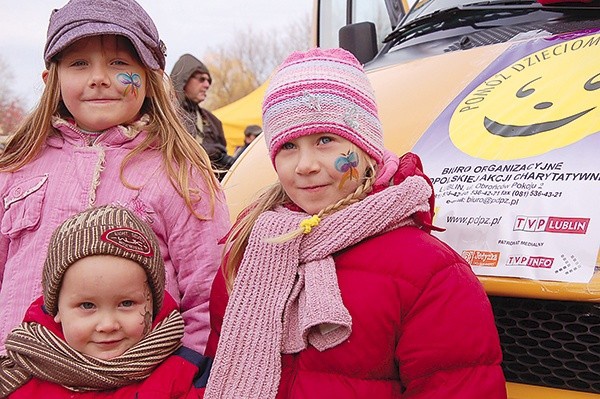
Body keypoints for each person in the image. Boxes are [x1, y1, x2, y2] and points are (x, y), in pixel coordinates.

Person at [203, 48, 507, 398]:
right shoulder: (252, 250)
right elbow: (218, 372)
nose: (305, 165)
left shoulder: (431, 273)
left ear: (366, 148)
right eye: (288, 145)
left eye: (325, 140)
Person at [0, 0, 231, 356]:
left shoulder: (180, 174)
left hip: (138, 384)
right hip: (20, 377)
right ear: (52, 80)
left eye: (119, 63)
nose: (99, 77)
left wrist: (187, 376)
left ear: (151, 80)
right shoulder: (16, 169)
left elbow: (207, 294)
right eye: (79, 63)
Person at [0, 206, 210, 398]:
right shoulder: (21, 378)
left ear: (153, 304)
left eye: (126, 303)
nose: (108, 325)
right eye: (87, 306)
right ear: (57, 309)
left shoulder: (184, 375)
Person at [170, 53, 236, 180]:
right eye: (201, 79)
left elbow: (221, 157)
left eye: (208, 81)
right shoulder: (164, 116)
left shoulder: (212, 120)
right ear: (184, 79)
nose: (207, 85)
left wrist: (229, 162)